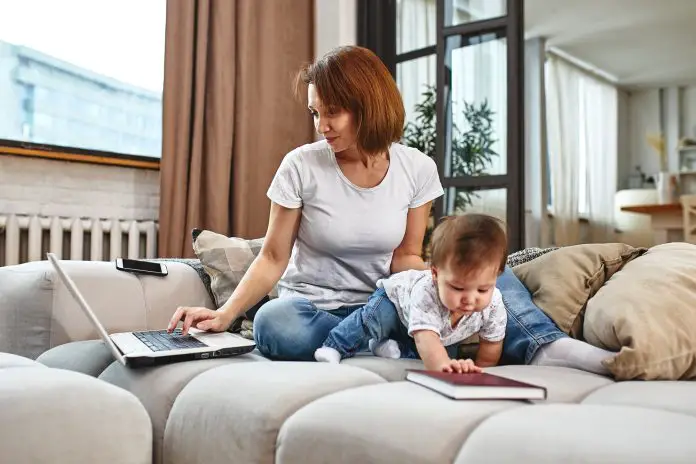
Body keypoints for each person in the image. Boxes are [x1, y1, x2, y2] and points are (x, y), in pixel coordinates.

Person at [167, 45, 614, 376]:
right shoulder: (300, 165)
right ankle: (383, 345)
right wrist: (225, 317)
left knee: (486, 266)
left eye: (333, 113)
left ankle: (545, 345)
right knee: (273, 323)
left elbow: (406, 256)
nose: (321, 126)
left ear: (368, 106)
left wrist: (443, 285)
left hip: (388, 305)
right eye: (314, 113)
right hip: (316, 311)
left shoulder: (416, 168)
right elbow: (273, 257)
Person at [314, 213, 509, 374]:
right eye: (458, 288)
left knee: (420, 354)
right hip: (395, 302)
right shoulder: (427, 293)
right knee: (371, 321)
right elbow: (427, 339)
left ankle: (386, 345)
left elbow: (491, 345)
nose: (470, 299)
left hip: (427, 330)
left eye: (482, 289)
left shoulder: (493, 305)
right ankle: (333, 346)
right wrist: (442, 367)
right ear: (435, 274)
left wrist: (482, 372)